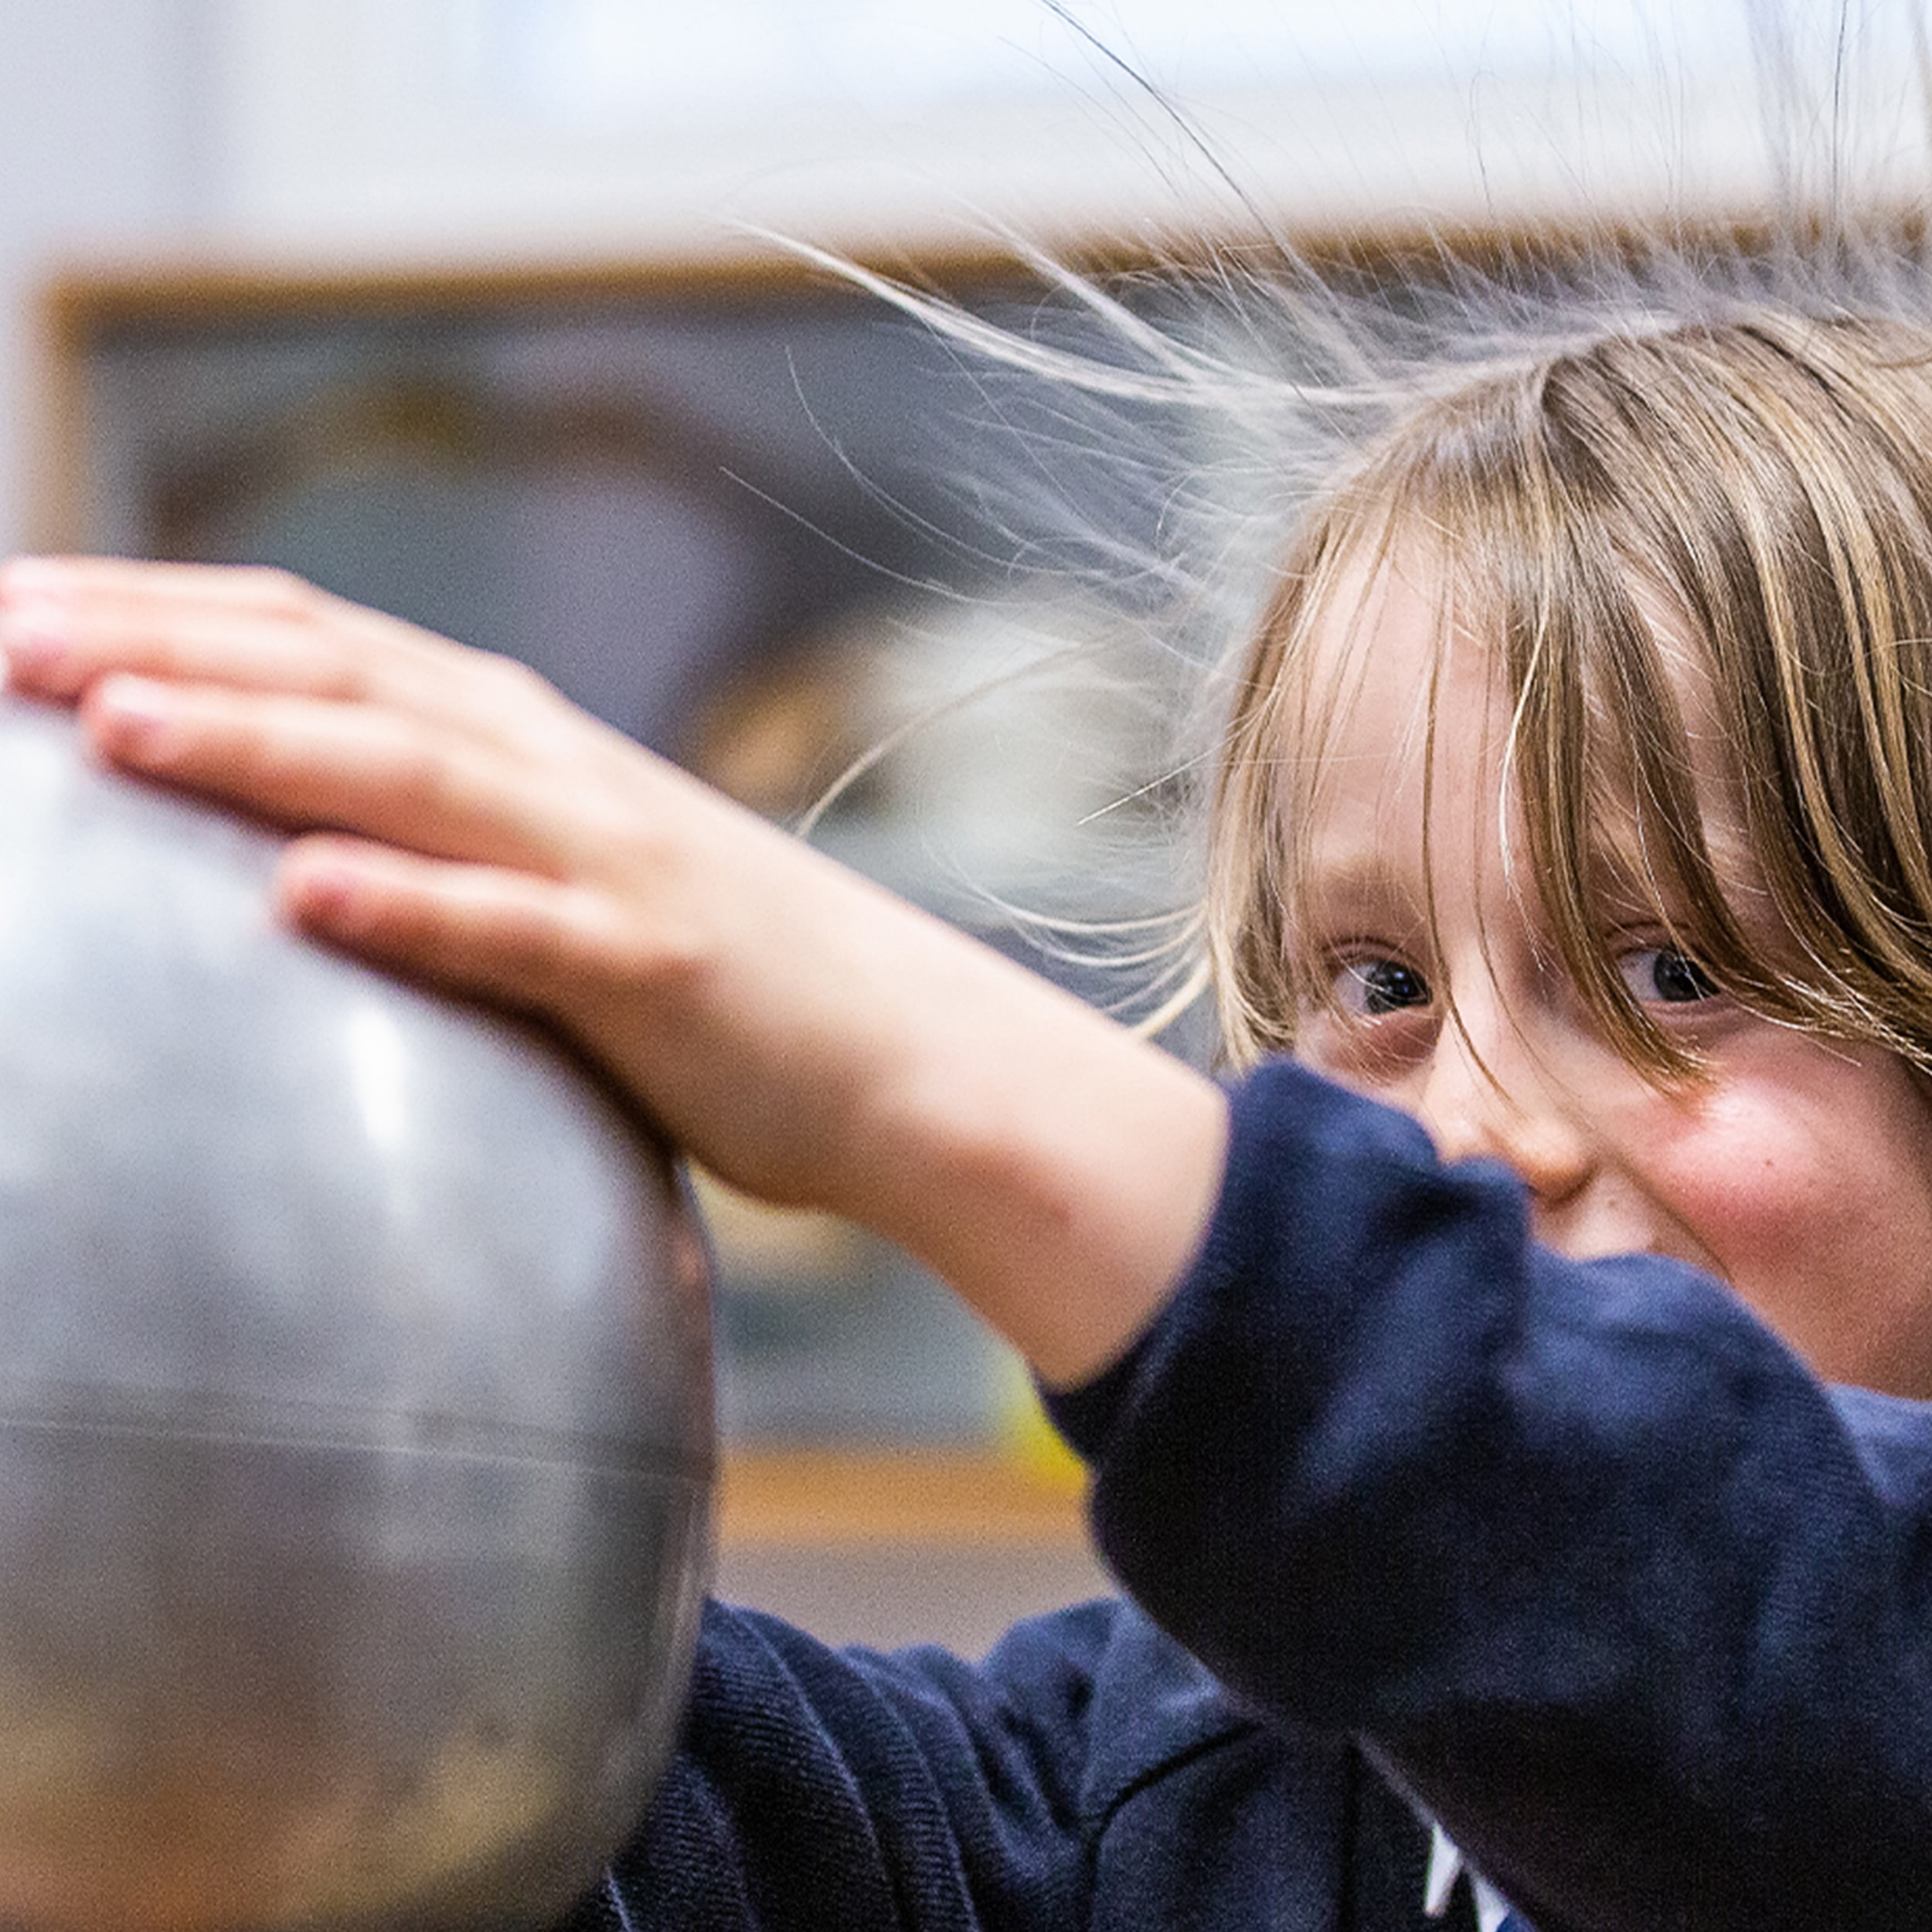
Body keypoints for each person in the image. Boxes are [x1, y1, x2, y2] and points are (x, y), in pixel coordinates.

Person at [7, 297, 1932, 1932]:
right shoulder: (1176, 1793)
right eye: (1377, 985)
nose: (1471, 1128)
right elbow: (578, 1810)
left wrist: (893, 1058)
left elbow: (1750, 1629)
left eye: (1677, 973)